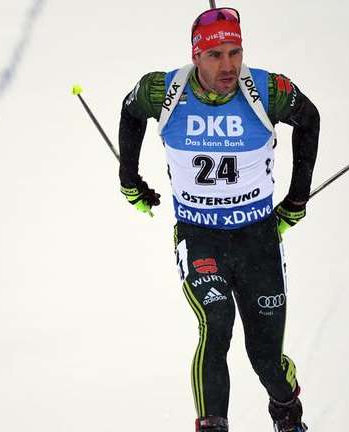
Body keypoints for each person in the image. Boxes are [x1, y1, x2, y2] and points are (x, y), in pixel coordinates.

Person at [117, 7, 320, 432]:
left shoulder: (267, 90)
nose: (228, 66)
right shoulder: (163, 91)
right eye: (215, 55)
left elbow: (309, 118)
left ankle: (286, 409)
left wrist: (297, 198)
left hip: (257, 238)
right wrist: (130, 178)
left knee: (265, 359)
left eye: (235, 52)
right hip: (199, 235)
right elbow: (131, 110)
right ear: (195, 56)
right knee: (216, 322)